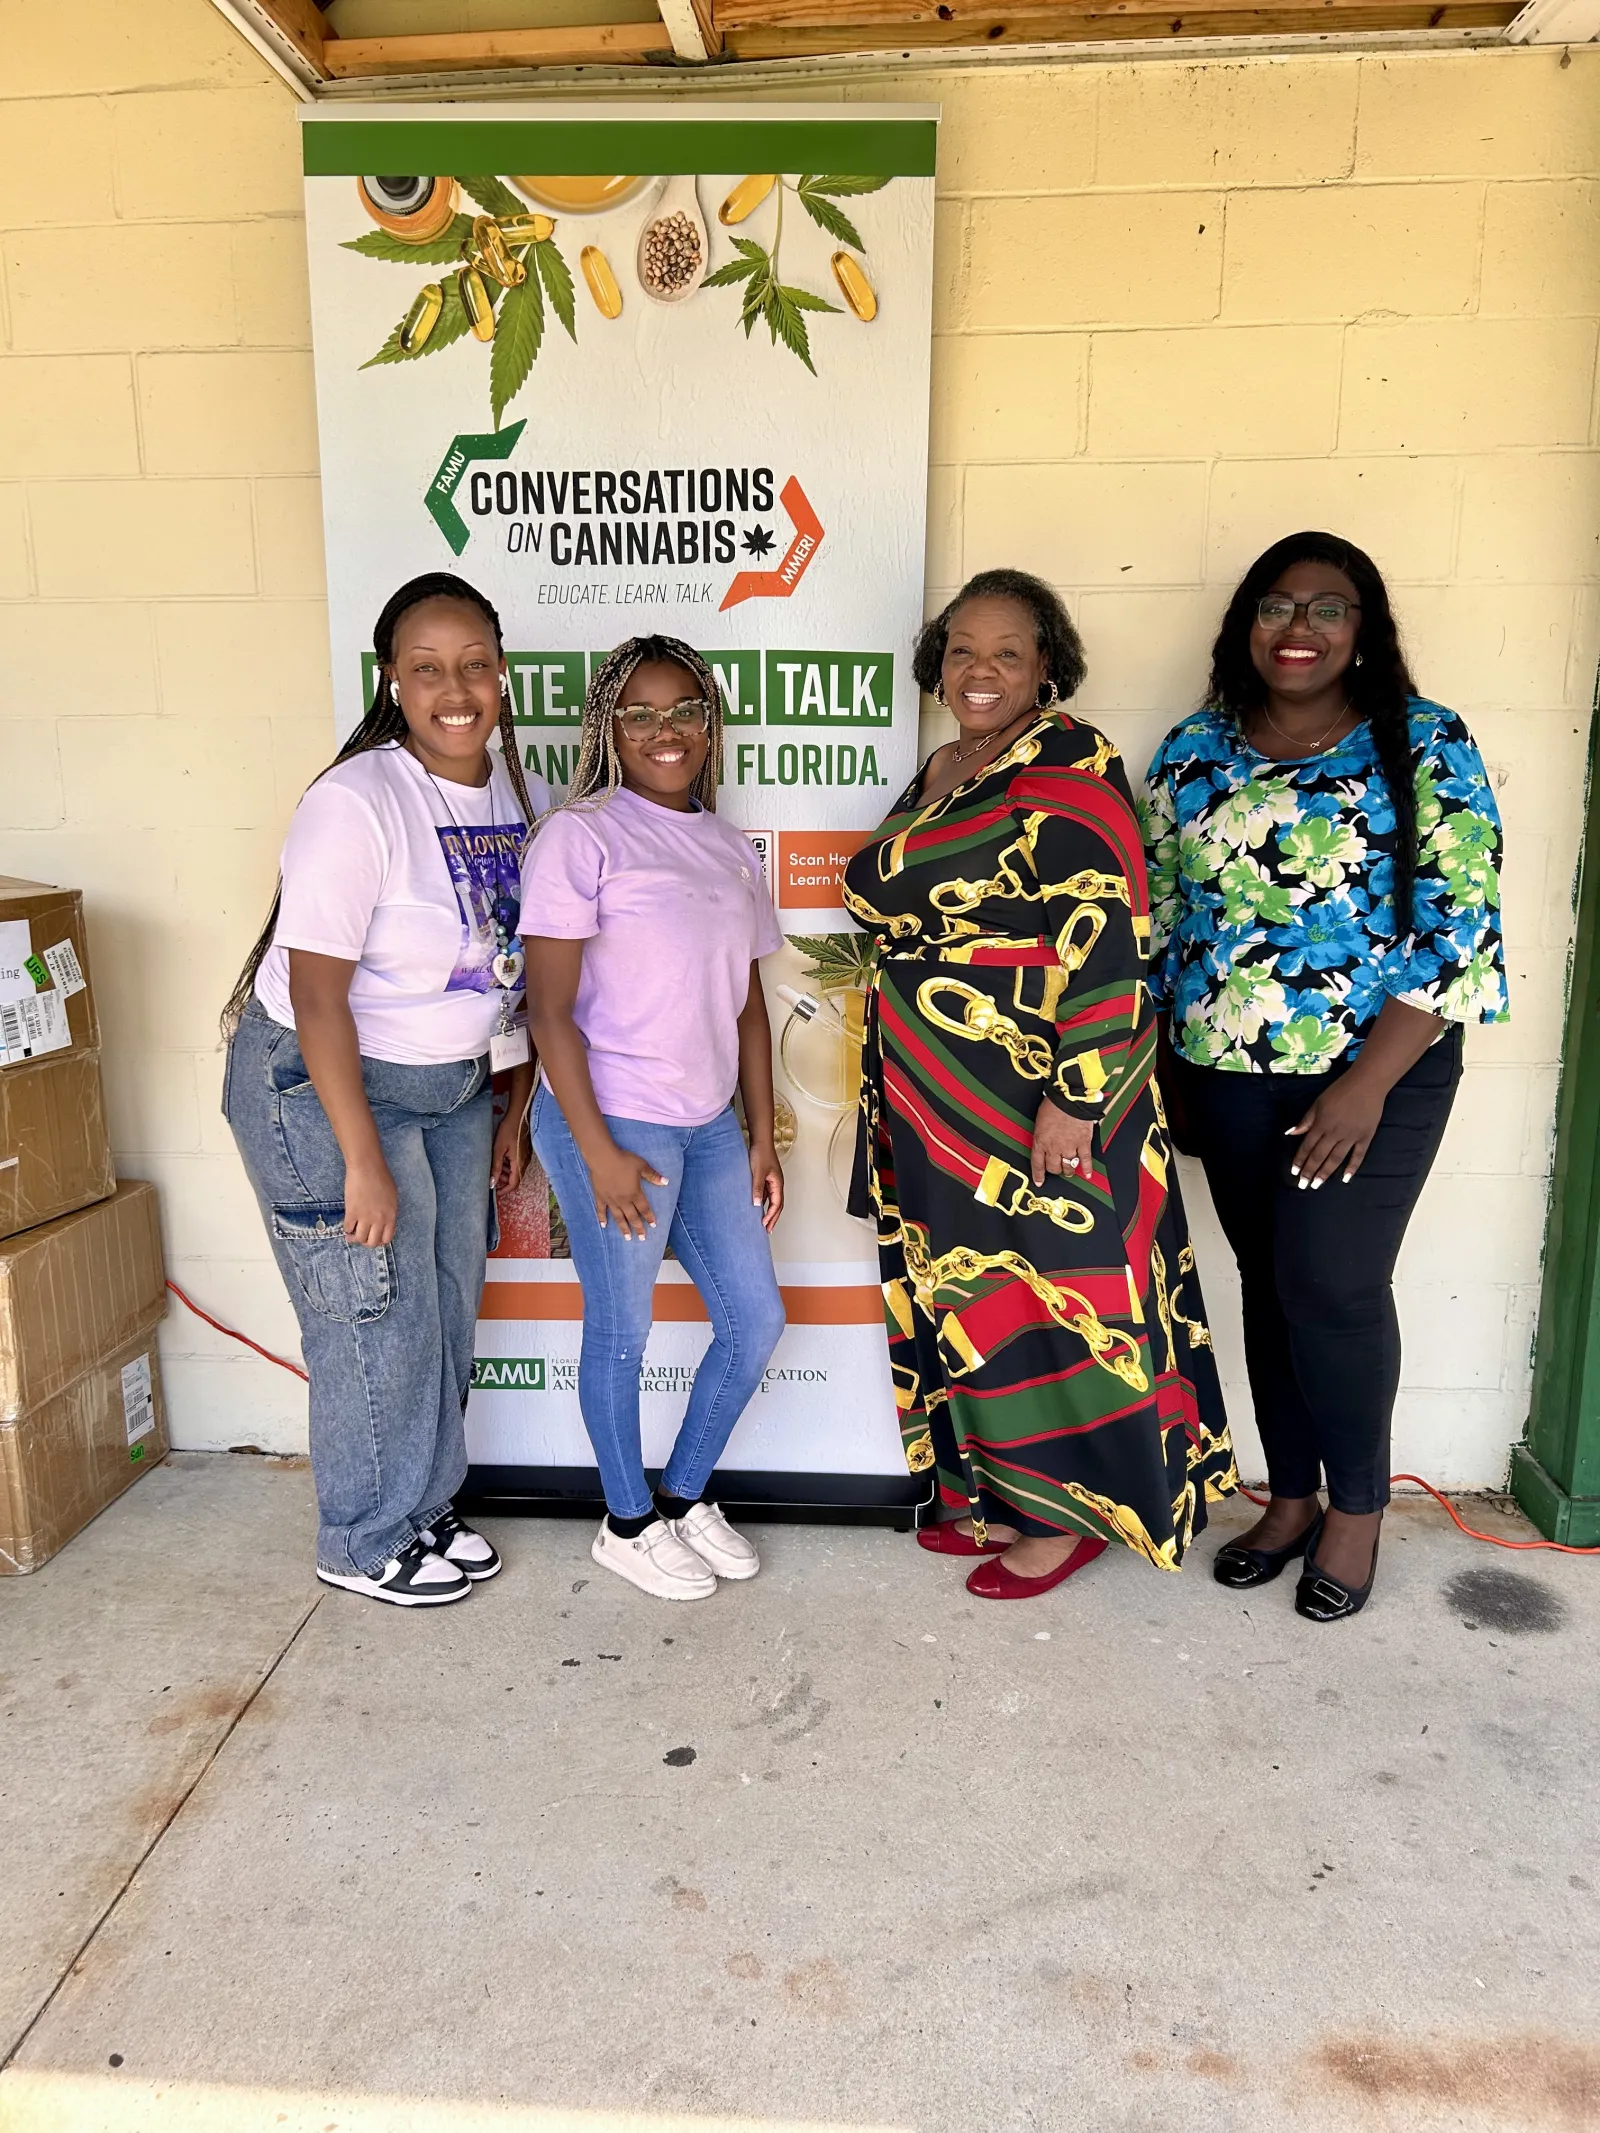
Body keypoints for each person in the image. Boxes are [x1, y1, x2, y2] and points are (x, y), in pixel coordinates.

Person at [841, 568, 1236, 1603]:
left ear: (1045, 669)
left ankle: (1079, 1514)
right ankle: (999, 1491)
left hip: (1033, 1092)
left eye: (1006, 652)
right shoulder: (941, 768)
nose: (980, 670)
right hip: (934, 1092)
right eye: (963, 650)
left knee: (1059, 1300)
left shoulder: (1068, 761)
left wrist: (1077, 1095)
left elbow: (1107, 935)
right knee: (968, 1296)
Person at [1143, 531, 1508, 1622]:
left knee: (1333, 1288)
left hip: (1374, 1077)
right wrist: (1157, 1063)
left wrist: (1363, 1086)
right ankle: (1291, 1498)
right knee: (1269, 1286)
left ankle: (1355, 1511)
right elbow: (1157, 917)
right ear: (1243, 625)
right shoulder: (1193, 750)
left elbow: (1460, 923)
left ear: (1363, 630)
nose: (1297, 628)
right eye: (1275, 606)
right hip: (1224, 1071)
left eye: (1326, 608)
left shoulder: (1423, 742)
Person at [221, 573, 550, 1606]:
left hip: (448, 1088)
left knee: (446, 1303)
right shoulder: (357, 801)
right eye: (426, 669)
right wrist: (359, 1157)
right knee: (374, 1311)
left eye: (474, 665)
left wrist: (509, 1097)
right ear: (392, 683)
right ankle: (362, 1534)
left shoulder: (505, 783)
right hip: (319, 1088)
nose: (455, 688)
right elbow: (318, 998)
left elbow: (501, 963)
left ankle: (420, 1504)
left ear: (501, 674)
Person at [521, 635, 786, 1604]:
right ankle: (625, 1523)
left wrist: (759, 1134)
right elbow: (547, 1011)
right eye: (639, 712)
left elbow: (748, 1006)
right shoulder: (580, 836)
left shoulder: (722, 842)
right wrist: (596, 1153)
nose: (664, 731)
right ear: (607, 728)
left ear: (709, 725)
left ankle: (679, 1499)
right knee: (623, 1330)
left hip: (708, 1122)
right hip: (612, 1120)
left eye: (684, 711)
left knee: (754, 1321)